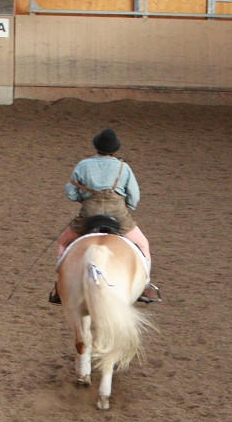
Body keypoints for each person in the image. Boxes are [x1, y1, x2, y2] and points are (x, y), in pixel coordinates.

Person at [49, 128, 160, 304]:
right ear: (115, 150)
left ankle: (59, 284)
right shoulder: (124, 167)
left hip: (89, 213)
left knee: (63, 242)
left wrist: (82, 198)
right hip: (118, 213)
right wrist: (129, 205)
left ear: (97, 147)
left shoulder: (83, 165)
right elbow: (134, 196)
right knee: (143, 244)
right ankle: (146, 284)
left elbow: (70, 193)